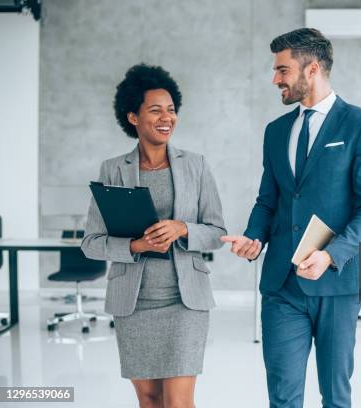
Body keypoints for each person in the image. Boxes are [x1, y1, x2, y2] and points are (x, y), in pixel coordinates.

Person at [222, 28, 361, 408]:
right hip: (282, 284)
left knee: (335, 395)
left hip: (337, 282)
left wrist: (330, 254)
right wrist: (253, 237)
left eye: (282, 70)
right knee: (282, 396)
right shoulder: (276, 131)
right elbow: (269, 200)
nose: (275, 79)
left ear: (311, 69)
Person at [81, 63, 225, 408]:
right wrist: (135, 246)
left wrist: (183, 228)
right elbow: (91, 243)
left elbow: (217, 233)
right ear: (133, 117)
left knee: (177, 401)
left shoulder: (196, 165)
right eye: (156, 110)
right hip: (134, 302)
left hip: (184, 300)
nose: (167, 117)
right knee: (149, 400)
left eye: (172, 110)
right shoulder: (113, 169)